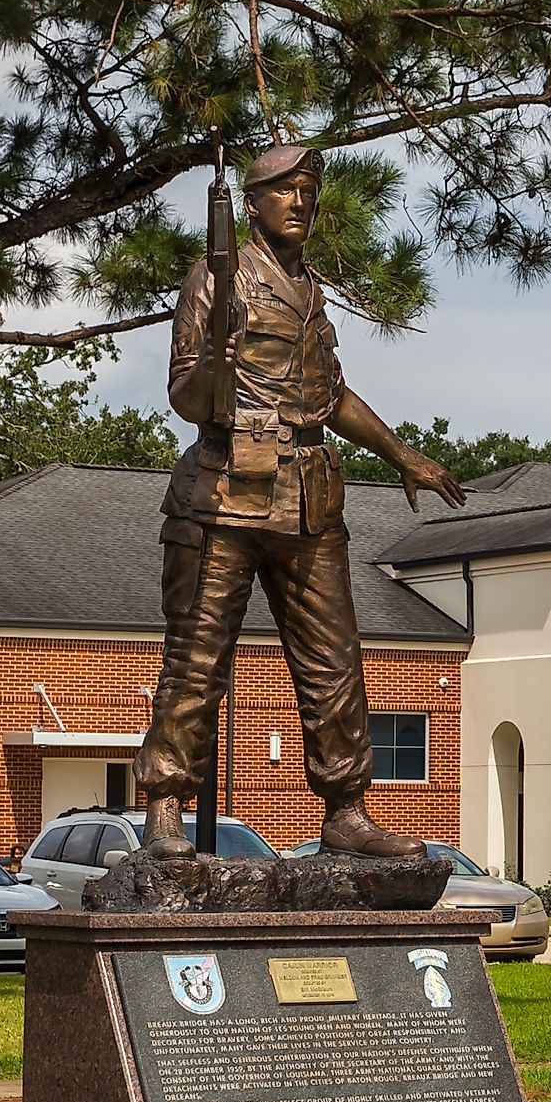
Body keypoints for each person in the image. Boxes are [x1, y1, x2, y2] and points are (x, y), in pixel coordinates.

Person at [134, 144, 465, 857]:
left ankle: (346, 810)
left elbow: (330, 395)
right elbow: (185, 395)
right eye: (285, 191)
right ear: (250, 205)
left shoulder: (309, 289)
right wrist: (218, 361)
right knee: (196, 659)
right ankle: (164, 806)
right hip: (223, 495)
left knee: (334, 662)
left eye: (309, 193)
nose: (301, 203)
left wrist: (403, 455)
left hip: (309, 498)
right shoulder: (215, 280)